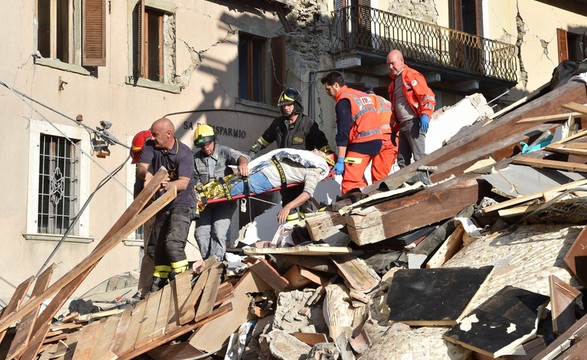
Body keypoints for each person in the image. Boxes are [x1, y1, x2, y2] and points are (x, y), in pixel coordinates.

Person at [248, 88, 331, 224]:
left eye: (289, 105)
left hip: (302, 173)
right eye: (284, 106)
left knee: (305, 205)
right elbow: (264, 140)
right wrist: (250, 155)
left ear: (297, 105)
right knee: (287, 203)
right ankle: (291, 235)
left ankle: (306, 234)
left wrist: (331, 159)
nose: (286, 108)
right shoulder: (278, 124)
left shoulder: (308, 124)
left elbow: (323, 144)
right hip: (284, 173)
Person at [137, 118, 198, 292]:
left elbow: (184, 183)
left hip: (182, 203)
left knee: (172, 243)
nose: (153, 138)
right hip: (163, 203)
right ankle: (160, 281)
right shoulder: (150, 146)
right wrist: (147, 175)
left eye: (156, 135)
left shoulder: (184, 153)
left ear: (168, 134)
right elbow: (141, 166)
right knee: (155, 246)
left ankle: (182, 279)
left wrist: (168, 185)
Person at [198, 148, 334, 224]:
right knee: (230, 180)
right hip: (266, 165)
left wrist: (288, 207)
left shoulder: (315, 169)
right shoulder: (308, 157)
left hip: (267, 178)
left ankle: (201, 198)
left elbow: (307, 194)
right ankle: (202, 191)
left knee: (234, 188)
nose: (321, 152)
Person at [193, 124, 249, 261]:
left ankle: (216, 263)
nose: (206, 148)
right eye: (202, 146)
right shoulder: (195, 158)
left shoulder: (224, 151)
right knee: (201, 234)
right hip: (205, 203)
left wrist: (242, 164)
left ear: (214, 140)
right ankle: (208, 262)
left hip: (225, 201)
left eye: (208, 144)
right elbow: (192, 179)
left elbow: (241, 157)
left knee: (218, 232)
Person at [321, 71, 383, 195]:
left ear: (336, 85)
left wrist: (341, 160)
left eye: (328, 89)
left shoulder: (343, 101)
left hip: (362, 143)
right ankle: (366, 200)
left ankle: (351, 210)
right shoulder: (358, 94)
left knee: (350, 182)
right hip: (377, 141)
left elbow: (343, 133)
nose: (328, 94)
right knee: (358, 179)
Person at [386, 49, 436, 168]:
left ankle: (425, 182)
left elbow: (426, 96)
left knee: (419, 157)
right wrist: (394, 129)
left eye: (393, 63)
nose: (391, 67)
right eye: (388, 64)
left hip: (414, 122)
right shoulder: (392, 84)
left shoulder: (411, 75)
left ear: (401, 60)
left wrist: (425, 115)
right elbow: (395, 108)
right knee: (402, 161)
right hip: (403, 125)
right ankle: (407, 183)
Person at [130, 130, 156, 299]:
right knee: (150, 252)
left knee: (165, 250)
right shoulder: (142, 170)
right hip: (150, 212)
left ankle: (155, 286)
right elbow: (138, 192)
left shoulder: (164, 159)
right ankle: (145, 289)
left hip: (166, 211)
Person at [369, 93, 398, 182]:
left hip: (381, 137)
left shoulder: (369, 99)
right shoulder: (387, 103)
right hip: (394, 139)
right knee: (381, 175)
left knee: (355, 168)